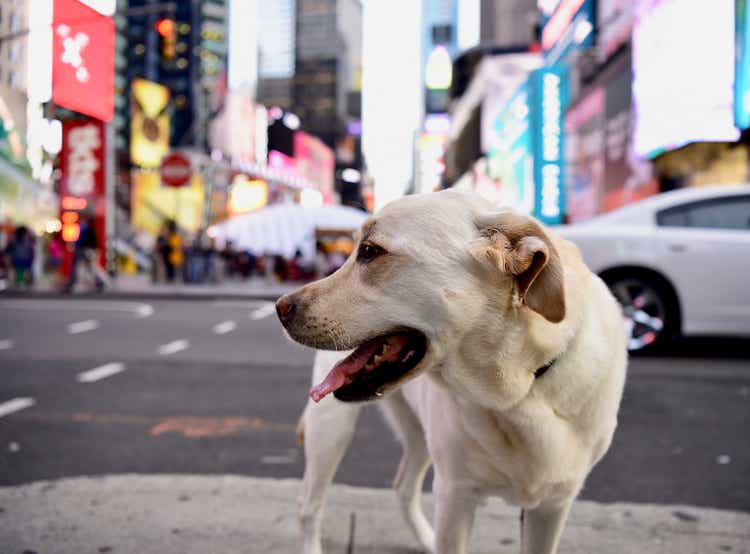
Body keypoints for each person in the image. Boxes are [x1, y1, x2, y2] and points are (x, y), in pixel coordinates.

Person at [64, 216, 108, 292]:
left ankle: (100, 281)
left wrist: (76, 246)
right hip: (87, 250)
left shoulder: (84, 229)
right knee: (90, 267)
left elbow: (80, 241)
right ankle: (100, 282)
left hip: (86, 250)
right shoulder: (87, 228)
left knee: (87, 267)